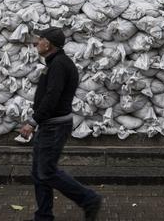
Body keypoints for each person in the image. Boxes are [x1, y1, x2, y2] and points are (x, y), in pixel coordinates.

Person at [19, 27, 102, 221]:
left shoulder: (58, 65)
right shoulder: (56, 62)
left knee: (46, 171)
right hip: (49, 125)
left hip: (54, 126)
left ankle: (89, 199)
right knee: (39, 172)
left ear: (48, 44)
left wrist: (33, 122)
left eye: (39, 40)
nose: (35, 43)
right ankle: (43, 216)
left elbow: (52, 96)